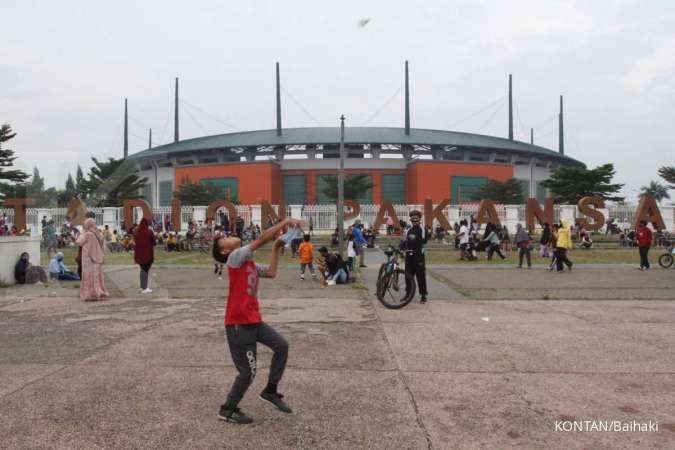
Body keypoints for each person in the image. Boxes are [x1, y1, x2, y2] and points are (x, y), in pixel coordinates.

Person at [213, 217, 303, 424]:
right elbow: (262, 239)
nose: (228, 236)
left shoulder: (249, 263)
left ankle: (270, 391)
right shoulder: (234, 258)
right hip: (238, 324)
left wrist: (276, 249)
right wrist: (286, 221)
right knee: (247, 373)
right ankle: (227, 409)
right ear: (225, 251)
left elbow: (271, 273)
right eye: (224, 239)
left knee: (281, 346)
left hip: (253, 320)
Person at [76, 218, 109, 301]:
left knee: (88, 276)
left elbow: (79, 242)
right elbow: (102, 243)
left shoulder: (87, 234)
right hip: (97, 258)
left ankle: (90, 294)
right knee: (96, 276)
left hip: (88, 258)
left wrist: (77, 235)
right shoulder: (98, 233)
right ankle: (99, 292)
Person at [402, 210, 429, 302]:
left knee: (420, 276)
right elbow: (406, 241)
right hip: (409, 256)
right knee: (408, 276)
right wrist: (400, 246)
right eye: (412, 220)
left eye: (416, 220)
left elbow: (424, 240)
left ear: (419, 219)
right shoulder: (409, 230)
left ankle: (423, 295)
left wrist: (415, 238)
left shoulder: (422, 229)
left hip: (418, 256)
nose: (414, 222)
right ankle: (408, 294)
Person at [134, 218, 156, 294]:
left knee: (142, 270)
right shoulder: (149, 232)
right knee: (145, 270)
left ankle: (142, 287)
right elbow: (154, 242)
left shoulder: (136, 232)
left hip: (139, 255)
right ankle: (144, 288)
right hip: (147, 254)